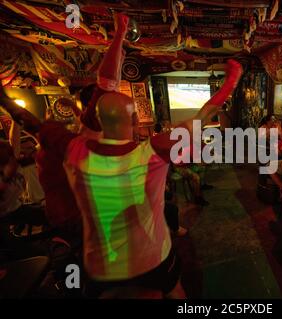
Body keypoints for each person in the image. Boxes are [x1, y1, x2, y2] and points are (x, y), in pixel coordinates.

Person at [30, 59, 241, 298]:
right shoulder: (151, 151)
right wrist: (231, 80)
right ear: (134, 121)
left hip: (101, 265)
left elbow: (33, 124)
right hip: (152, 257)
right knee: (175, 291)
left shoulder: (76, 150)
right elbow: (206, 112)